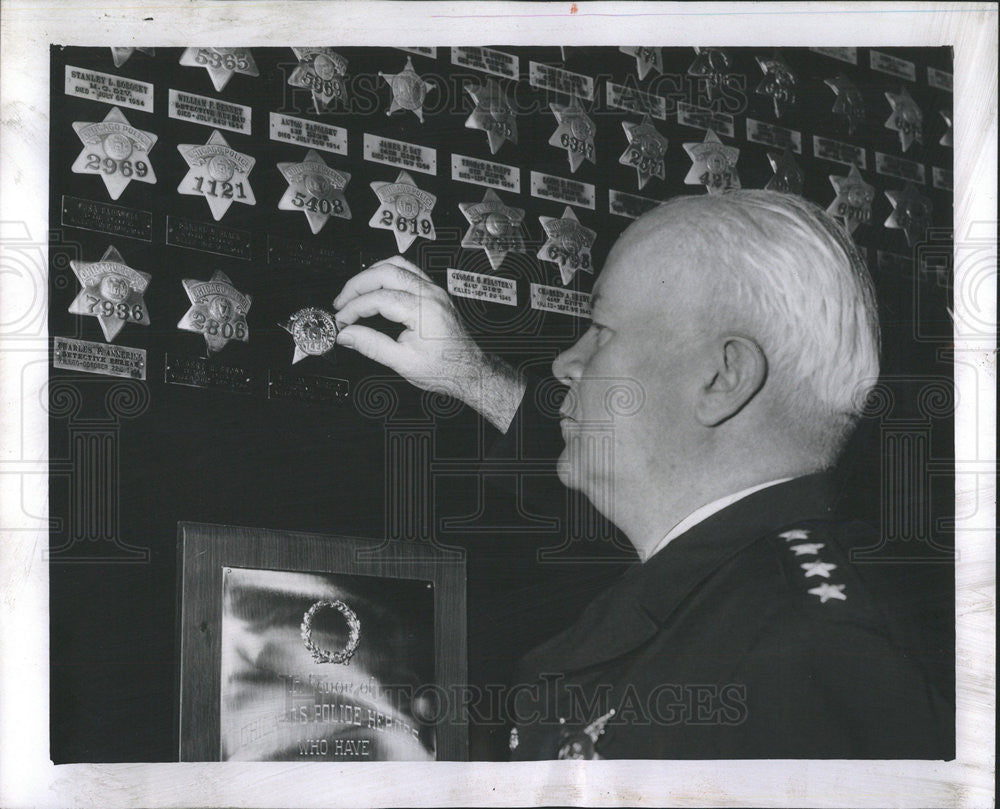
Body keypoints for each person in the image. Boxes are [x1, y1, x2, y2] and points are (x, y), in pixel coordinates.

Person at [332, 190, 952, 759]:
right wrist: (472, 377)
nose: (566, 361)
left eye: (601, 329)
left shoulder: (802, 658)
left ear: (722, 377)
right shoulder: (752, 602)